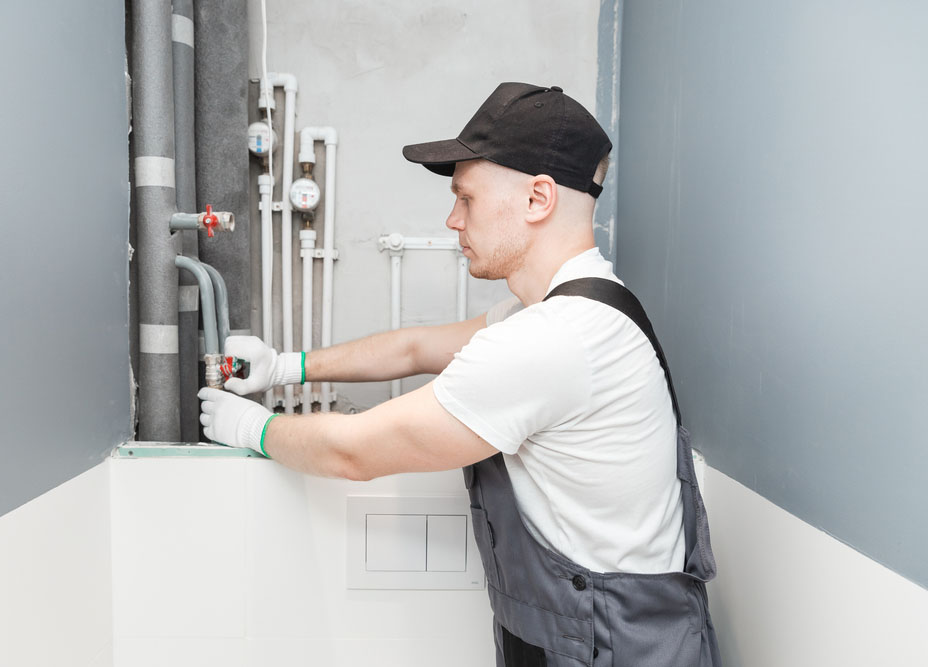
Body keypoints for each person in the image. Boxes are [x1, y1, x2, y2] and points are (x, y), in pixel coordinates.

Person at [199, 82, 721, 666]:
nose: (452, 219)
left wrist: (252, 428)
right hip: (590, 638)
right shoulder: (576, 310)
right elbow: (415, 347)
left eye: (466, 198)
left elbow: (353, 452)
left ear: (537, 199)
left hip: (612, 649)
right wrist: (285, 366)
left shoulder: (553, 341)